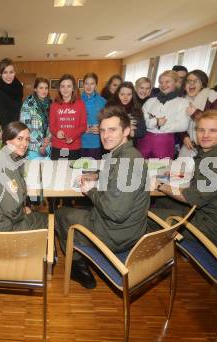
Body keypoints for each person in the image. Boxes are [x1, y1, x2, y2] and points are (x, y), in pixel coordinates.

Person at [55, 105, 149, 289]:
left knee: (61, 214)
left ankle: (78, 267)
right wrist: (98, 174)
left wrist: (90, 191)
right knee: (80, 211)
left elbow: (115, 212)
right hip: (130, 229)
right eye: (103, 130)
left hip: (116, 235)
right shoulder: (128, 155)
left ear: (127, 131)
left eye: (112, 130)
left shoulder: (126, 163)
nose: (106, 135)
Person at [152, 110, 217, 248]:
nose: (205, 135)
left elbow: (190, 197)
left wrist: (159, 185)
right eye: (201, 130)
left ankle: (153, 260)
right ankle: (166, 247)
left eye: (213, 130)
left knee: (146, 217)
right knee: (161, 201)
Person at [0, 121, 48, 231]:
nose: (25, 144)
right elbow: (12, 209)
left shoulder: (10, 158)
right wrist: (24, 211)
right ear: (7, 140)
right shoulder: (6, 166)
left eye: (27, 139)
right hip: (6, 231)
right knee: (51, 220)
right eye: (19, 139)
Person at [137, 70, 189, 159]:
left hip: (164, 143)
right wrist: (156, 122)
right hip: (144, 140)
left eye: (167, 82)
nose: (163, 85)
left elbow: (183, 125)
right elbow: (141, 119)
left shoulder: (183, 102)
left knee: (161, 170)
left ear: (176, 83)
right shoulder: (150, 101)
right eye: (161, 82)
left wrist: (160, 126)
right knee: (138, 167)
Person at [179, 70, 217, 157]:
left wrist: (195, 113)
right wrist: (184, 137)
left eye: (196, 81)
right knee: (179, 169)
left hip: (210, 149)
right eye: (188, 81)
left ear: (203, 84)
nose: (191, 84)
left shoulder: (213, 97)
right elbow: (178, 123)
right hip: (189, 147)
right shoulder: (182, 100)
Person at [49, 74, 87, 161]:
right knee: (57, 173)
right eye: (63, 86)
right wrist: (56, 132)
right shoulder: (54, 105)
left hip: (74, 147)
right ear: (59, 88)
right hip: (57, 147)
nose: (65, 89)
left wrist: (72, 136)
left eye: (69, 86)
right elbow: (52, 125)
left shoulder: (80, 104)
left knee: (74, 174)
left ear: (73, 88)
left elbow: (83, 126)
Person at [20, 77, 52, 160]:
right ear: (35, 89)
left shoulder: (51, 104)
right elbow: (26, 127)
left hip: (48, 147)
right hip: (33, 147)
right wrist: (41, 143)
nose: (44, 91)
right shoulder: (28, 104)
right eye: (41, 88)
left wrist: (48, 139)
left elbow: (53, 124)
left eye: (46, 88)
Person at [80, 72, 106, 159]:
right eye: (86, 83)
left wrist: (101, 128)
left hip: (95, 143)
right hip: (79, 142)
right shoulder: (76, 101)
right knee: (77, 171)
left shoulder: (103, 102)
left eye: (92, 83)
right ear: (83, 84)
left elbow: (107, 122)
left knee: (93, 170)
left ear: (96, 85)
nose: (89, 86)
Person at [0, 58, 24, 129]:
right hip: (8, 132)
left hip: (17, 128)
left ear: (15, 73)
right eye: (5, 72)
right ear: (0, 74)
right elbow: (3, 120)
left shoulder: (18, 89)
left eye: (11, 72)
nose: (8, 76)